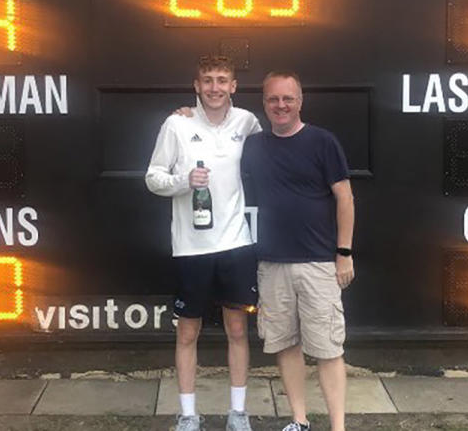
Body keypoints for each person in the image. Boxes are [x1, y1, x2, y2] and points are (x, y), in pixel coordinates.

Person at [146, 56, 262, 431]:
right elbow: (152, 177)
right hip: (191, 248)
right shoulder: (176, 123)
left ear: (233, 86)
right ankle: (188, 416)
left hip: (236, 243)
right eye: (207, 81)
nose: (214, 87)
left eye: (222, 80)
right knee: (187, 333)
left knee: (238, 330)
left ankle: (238, 414)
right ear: (196, 86)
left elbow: (275, 154)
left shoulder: (248, 123)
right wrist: (183, 181)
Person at [240, 71, 355, 431]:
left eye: (288, 98)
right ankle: (299, 421)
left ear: (300, 101)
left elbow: (345, 198)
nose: (281, 105)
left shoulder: (323, 141)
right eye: (273, 99)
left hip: (319, 263)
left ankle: (337, 426)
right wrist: (187, 113)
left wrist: (344, 252)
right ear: (264, 104)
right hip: (271, 264)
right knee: (285, 345)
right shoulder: (254, 145)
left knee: (328, 349)